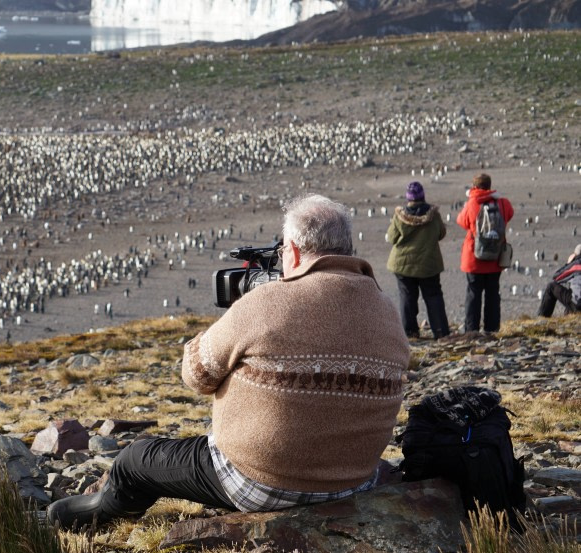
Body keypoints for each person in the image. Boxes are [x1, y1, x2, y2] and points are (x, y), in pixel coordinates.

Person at [47, 195, 411, 530]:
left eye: (283, 249)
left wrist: (237, 318)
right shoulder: (387, 310)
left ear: (295, 253)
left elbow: (196, 376)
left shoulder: (266, 303)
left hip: (259, 482)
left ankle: (101, 512)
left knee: (136, 459)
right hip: (351, 482)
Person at [386, 181, 450, 339]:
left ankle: (410, 332)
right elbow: (441, 233)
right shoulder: (433, 215)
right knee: (433, 296)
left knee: (407, 296)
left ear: (408, 198)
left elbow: (392, 238)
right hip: (429, 264)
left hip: (403, 264)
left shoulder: (400, 216)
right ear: (423, 196)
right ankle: (440, 331)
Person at [455, 173, 514, 333]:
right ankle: (492, 328)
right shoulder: (502, 202)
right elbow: (510, 214)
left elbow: (461, 221)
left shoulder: (472, 203)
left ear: (474, 187)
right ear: (489, 185)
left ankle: (472, 329)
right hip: (495, 258)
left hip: (475, 258)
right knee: (493, 293)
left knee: (473, 294)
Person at [537, 244, 581, 317]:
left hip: (579, 306)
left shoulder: (576, 264)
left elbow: (557, 277)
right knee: (572, 292)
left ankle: (542, 318)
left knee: (551, 287)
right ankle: (569, 317)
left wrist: (568, 263)